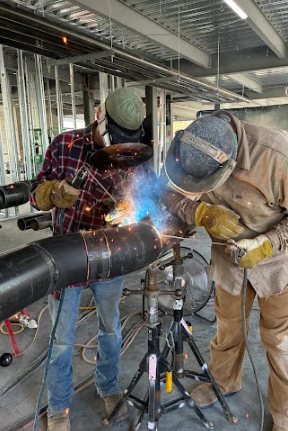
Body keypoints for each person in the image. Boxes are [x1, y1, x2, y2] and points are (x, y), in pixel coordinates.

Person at [160, 111, 288, 431]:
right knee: (229, 328)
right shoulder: (191, 148)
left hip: (281, 261)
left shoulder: (284, 157)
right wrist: (199, 210)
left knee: (282, 341)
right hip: (228, 257)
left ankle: (287, 417)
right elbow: (168, 192)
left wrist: (266, 244)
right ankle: (224, 382)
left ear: (228, 163)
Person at [30, 88, 146, 431]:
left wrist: (130, 209)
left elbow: (140, 198)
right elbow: (36, 196)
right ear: (100, 117)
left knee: (110, 330)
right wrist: (51, 193)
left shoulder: (131, 153)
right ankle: (59, 406)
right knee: (62, 337)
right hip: (68, 258)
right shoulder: (64, 145)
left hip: (110, 257)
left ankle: (108, 387)